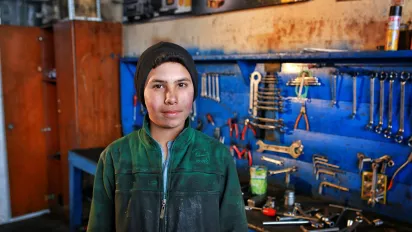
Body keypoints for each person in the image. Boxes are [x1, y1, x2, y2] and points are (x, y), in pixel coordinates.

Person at [87, 42, 248, 232]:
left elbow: (234, 227)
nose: (171, 98)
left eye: (181, 84)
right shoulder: (115, 156)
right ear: (142, 94)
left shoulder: (218, 157)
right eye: (158, 86)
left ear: (193, 91)